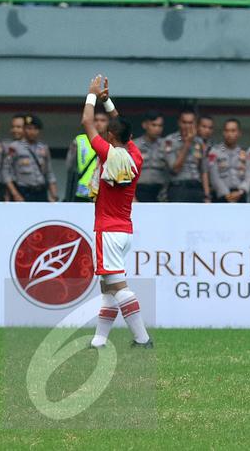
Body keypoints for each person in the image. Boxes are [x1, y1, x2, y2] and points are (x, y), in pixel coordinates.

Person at [80, 75, 152, 349]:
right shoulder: (135, 155)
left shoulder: (107, 153)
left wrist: (90, 95)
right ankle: (99, 340)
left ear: (110, 136)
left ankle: (142, 338)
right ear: (130, 137)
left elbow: (87, 122)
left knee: (118, 287)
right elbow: (120, 123)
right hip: (124, 229)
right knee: (107, 288)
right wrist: (106, 100)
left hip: (107, 229)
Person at [3, 115, 56, 202]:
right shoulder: (14, 147)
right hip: (23, 192)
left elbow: (49, 173)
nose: (32, 132)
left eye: (35, 129)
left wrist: (54, 195)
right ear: (24, 129)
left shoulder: (43, 148)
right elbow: (6, 173)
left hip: (41, 192)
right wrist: (15, 194)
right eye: (29, 128)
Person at [160, 108, 209, 203]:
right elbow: (175, 169)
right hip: (178, 187)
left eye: (190, 123)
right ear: (179, 123)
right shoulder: (170, 141)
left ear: (195, 124)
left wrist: (207, 196)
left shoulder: (199, 142)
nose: (187, 126)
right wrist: (187, 143)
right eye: (184, 122)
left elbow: (203, 171)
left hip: (196, 187)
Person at [65, 111, 110, 202]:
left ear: (109, 123)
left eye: (103, 120)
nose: (99, 123)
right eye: (95, 120)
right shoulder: (80, 141)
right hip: (83, 192)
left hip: (106, 192)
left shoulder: (114, 142)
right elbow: (70, 167)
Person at [208, 119, 250, 203]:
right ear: (223, 133)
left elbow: (249, 175)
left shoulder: (245, 152)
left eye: (233, 131)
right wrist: (226, 194)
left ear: (239, 133)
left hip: (240, 194)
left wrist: (241, 191)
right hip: (220, 195)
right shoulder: (215, 151)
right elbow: (214, 175)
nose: (230, 134)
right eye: (227, 131)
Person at [133, 112, 167, 202]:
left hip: (160, 193)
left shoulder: (166, 145)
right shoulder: (135, 145)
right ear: (145, 125)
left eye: (160, 126)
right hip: (139, 191)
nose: (157, 129)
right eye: (153, 125)